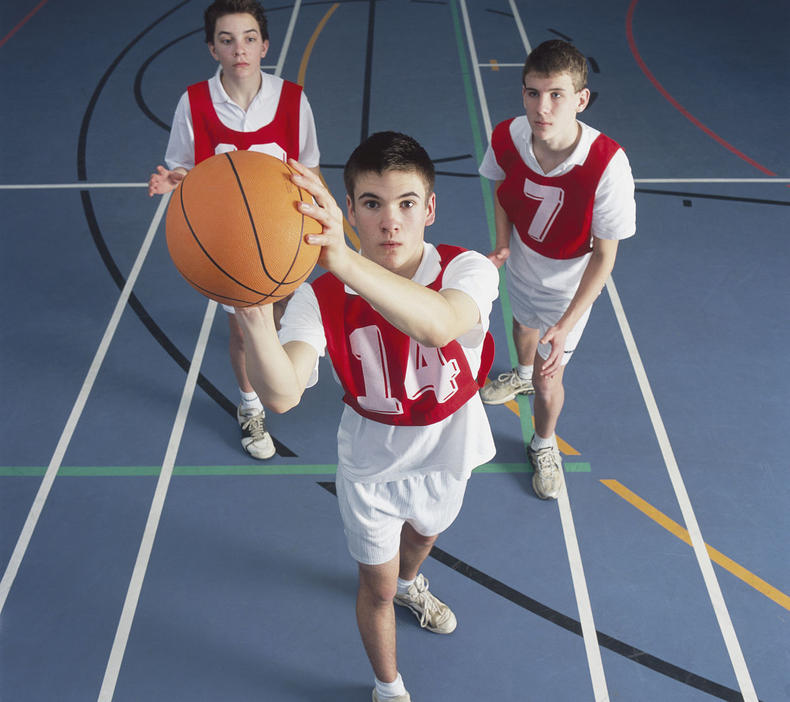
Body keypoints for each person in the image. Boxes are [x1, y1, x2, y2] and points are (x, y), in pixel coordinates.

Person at [235, 132, 499, 702]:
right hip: (372, 466)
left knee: (424, 540)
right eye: (372, 204)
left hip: (449, 452)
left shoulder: (467, 269)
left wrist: (344, 259)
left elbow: (436, 324)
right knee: (374, 589)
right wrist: (253, 311)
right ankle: (389, 687)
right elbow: (280, 395)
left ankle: (411, 583)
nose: (391, 221)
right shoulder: (319, 296)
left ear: (429, 208)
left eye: (406, 203)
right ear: (349, 210)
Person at [148, 0, 321, 460]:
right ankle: (249, 405)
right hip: (230, 243)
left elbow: (309, 165)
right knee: (244, 330)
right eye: (226, 40)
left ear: (264, 45)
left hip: (285, 233)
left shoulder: (291, 98)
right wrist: (174, 180)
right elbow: (185, 165)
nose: (239, 49)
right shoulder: (195, 102)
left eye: (248, 38)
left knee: (281, 319)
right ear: (212, 49)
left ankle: (280, 380)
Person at [478, 39, 636, 499]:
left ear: (580, 99)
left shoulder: (608, 165)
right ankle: (519, 375)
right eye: (532, 93)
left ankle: (544, 444)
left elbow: (605, 256)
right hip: (524, 265)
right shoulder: (507, 136)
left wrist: (567, 324)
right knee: (522, 329)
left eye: (556, 95)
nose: (541, 107)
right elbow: (503, 189)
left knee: (551, 383)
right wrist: (504, 243)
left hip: (570, 290)